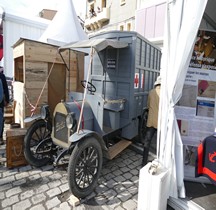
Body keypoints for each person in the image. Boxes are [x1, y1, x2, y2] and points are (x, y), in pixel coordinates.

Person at [142, 75, 161, 166]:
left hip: (151, 121)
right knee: (160, 142)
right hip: (161, 122)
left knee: (147, 141)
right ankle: (160, 161)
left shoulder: (151, 92)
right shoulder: (165, 94)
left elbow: (148, 105)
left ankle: (143, 162)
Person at [0, 66, 9, 145]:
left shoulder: (2, 76)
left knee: (1, 120)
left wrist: (7, 100)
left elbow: (5, 89)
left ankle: (0, 137)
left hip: (1, 103)